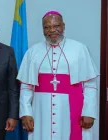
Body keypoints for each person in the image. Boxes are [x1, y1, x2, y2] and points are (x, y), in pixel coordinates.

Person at [17, 10, 99, 140]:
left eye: (56, 26)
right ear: (42, 29)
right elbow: (26, 87)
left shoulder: (79, 49)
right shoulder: (33, 52)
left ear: (63, 26)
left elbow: (90, 84)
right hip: (41, 111)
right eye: (47, 27)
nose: (52, 30)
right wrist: (26, 113)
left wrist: (89, 112)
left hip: (72, 109)